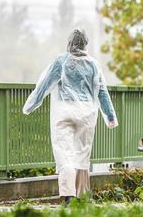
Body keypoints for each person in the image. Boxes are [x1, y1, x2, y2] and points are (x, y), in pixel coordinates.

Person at [22, 29, 118, 204]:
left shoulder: (62, 61)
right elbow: (102, 91)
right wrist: (110, 116)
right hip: (87, 114)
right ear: (85, 44)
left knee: (64, 153)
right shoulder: (93, 65)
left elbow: (44, 85)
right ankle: (82, 195)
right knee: (81, 155)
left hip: (64, 111)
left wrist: (30, 105)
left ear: (69, 43)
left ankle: (68, 195)